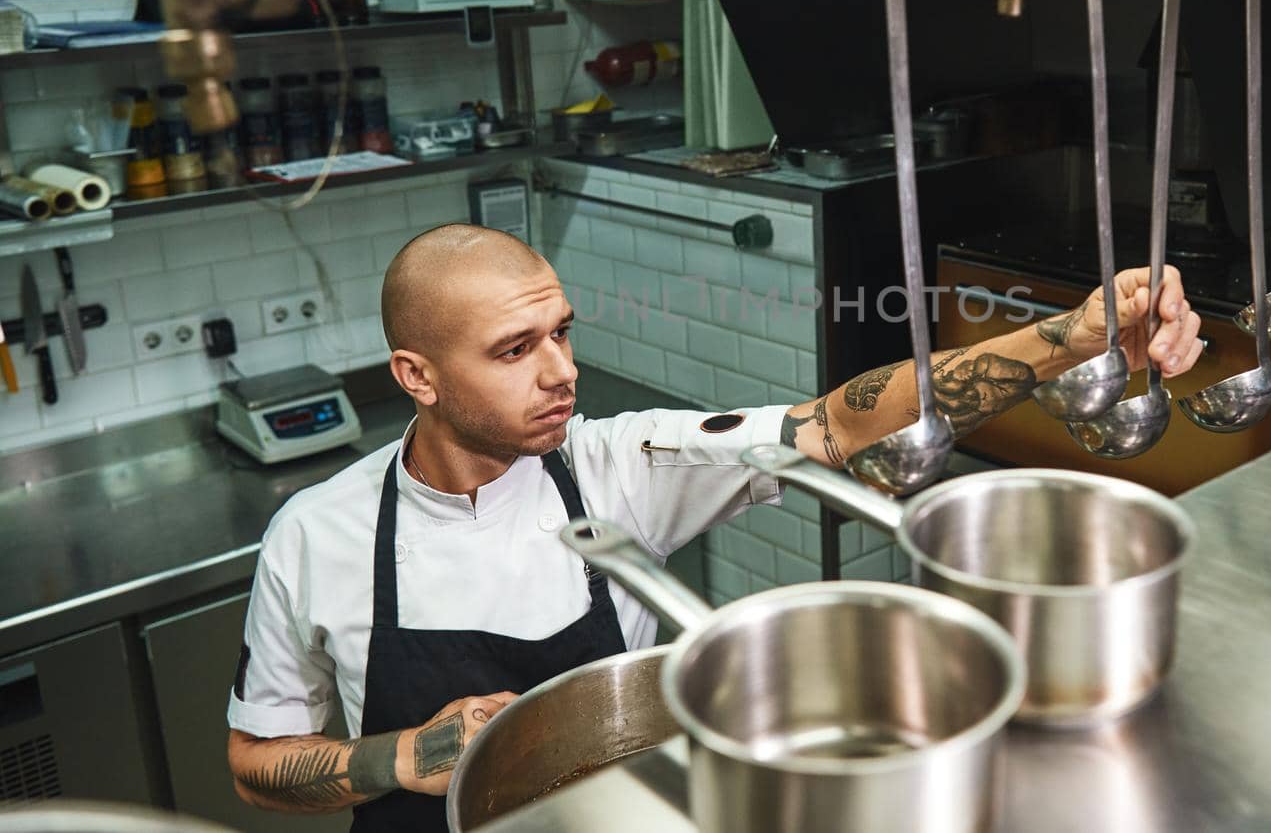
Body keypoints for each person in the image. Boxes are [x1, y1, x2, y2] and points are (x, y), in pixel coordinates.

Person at [225, 224, 1202, 830]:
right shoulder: (313, 538)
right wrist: (409, 757)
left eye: (561, 332)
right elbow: (257, 764)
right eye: (516, 350)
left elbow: (837, 424)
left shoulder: (619, 463)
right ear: (418, 377)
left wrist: (1071, 337)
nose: (562, 371)